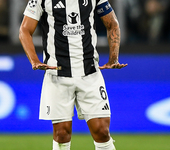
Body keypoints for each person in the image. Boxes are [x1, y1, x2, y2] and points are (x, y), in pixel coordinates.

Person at [19, 0, 127, 150]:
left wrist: (113, 57)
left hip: (90, 73)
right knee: (62, 133)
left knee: (102, 131)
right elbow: (24, 30)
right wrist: (34, 60)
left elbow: (112, 23)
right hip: (57, 74)